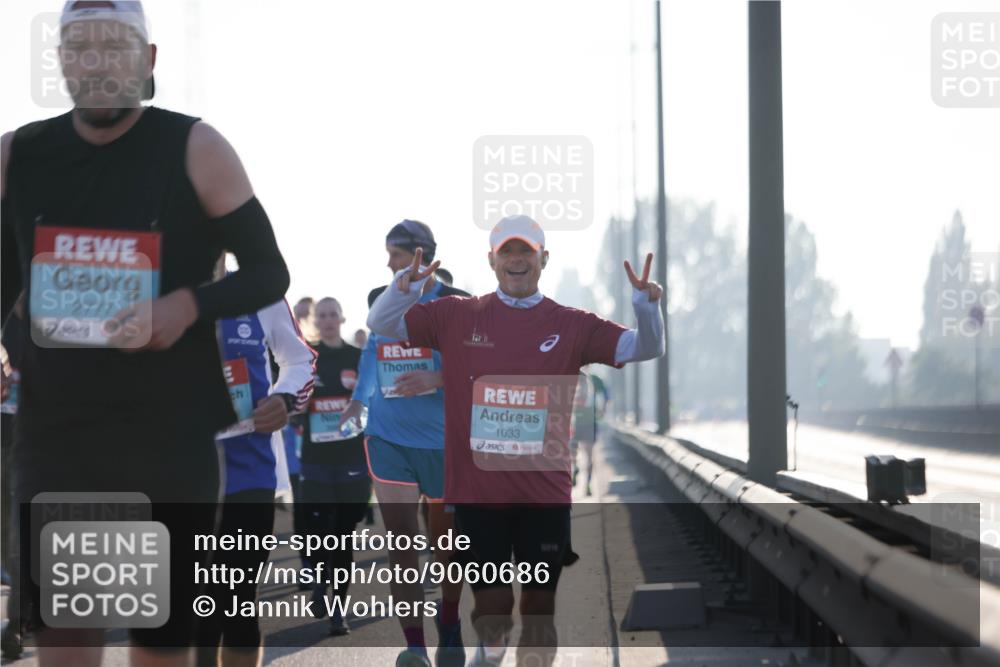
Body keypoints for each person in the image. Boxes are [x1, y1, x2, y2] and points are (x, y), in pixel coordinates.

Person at [0, 2, 289, 664]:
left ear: (148, 59)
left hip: (166, 437)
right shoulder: (19, 155)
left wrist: (187, 305)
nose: (97, 62)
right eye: (80, 47)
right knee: (67, 638)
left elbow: (268, 271)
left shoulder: (195, 147)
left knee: (158, 641)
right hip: (60, 438)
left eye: (115, 46)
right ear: (61, 59)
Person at [368, 215, 664, 667]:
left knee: (539, 608)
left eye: (526, 251)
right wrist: (403, 288)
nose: (517, 260)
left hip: (543, 494)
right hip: (477, 495)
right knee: (493, 609)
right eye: (507, 251)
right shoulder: (457, 314)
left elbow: (645, 347)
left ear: (544, 258)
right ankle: (491, 651)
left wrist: (645, 306)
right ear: (492, 261)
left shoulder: (572, 324)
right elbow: (382, 322)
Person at [339, 220, 469, 667]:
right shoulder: (381, 298)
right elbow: (372, 351)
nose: (388, 263)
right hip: (388, 435)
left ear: (419, 256)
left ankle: (448, 621)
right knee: (401, 544)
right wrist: (358, 400)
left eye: (394, 254)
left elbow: (479, 363)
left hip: (443, 440)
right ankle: (415, 648)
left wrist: (438, 377)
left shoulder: (457, 303)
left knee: (447, 547)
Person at [196, 257, 316, 667]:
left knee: (236, 598)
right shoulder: (153, 286)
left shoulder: (259, 292)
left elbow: (300, 360)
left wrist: (283, 398)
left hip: (250, 467)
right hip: (178, 468)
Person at [300, 298, 371, 635]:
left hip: (351, 458)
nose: (328, 320)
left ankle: (338, 610)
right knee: (319, 532)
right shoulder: (306, 357)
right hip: (316, 459)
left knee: (343, 536)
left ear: (342, 319)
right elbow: (292, 401)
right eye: (322, 315)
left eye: (333, 314)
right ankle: (319, 580)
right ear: (315, 321)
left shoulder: (358, 358)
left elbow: (372, 400)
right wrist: (299, 409)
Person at [570, 368, 609, 497]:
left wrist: (602, 410)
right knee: (584, 454)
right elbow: (605, 397)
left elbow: (605, 396)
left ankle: (585, 481)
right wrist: (602, 411)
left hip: (579, 422)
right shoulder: (594, 379)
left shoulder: (575, 376)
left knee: (582, 454)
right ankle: (582, 478)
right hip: (580, 422)